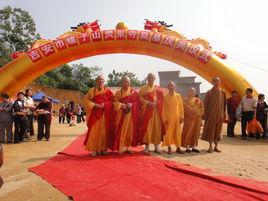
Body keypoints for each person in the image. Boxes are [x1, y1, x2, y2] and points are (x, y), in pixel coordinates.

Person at [83, 75, 114, 156]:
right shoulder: (91, 91)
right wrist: (94, 104)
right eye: (99, 80)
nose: (100, 81)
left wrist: (105, 104)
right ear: (96, 81)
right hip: (94, 115)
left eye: (102, 80)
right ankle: (94, 149)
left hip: (104, 115)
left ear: (104, 82)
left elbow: (112, 101)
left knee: (103, 131)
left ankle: (103, 148)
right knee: (94, 131)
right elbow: (86, 100)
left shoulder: (108, 91)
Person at [113, 76, 140, 154]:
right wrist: (121, 105)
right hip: (121, 114)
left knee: (129, 131)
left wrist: (132, 104)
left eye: (127, 81)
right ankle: (121, 147)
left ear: (130, 82)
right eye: (124, 81)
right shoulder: (118, 92)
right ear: (122, 82)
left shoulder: (134, 92)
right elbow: (115, 102)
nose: (126, 83)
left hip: (131, 115)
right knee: (122, 130)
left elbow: (138, 102)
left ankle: (127, 147)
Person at [139, 73, 164, 154]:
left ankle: (156, 146)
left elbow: (161, 99)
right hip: (147, 111)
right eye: (149, 78)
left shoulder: (158, 88)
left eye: (152, 78)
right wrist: (148, 102)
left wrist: (157, 103)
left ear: (154, 79)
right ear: (147, 79)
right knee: (148, 128)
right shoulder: (143, 88)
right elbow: (139, 98)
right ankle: (147, 147)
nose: (151, 79)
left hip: (156, 111)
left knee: (157, 128)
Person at [202, 77, 226, 153]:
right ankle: (210, 147)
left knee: (218, 131)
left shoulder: (223, 92)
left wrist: (225, 114)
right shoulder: (209, 92)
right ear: (212, 82)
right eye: (215, 81)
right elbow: (205, 104)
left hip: (220, 115)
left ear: (220, 82)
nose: (216, 83)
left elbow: (224, 105)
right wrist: (204, 115)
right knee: (211, 131)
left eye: (218, 81)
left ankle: (216, 146)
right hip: (211, 115)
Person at [162, 81, 184, 154]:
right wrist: (164, 118)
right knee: (169, 133)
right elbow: (163, 109)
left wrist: (182, 116)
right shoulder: (165, 97)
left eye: (172, 86)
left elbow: (181, 107)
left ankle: (178, 147)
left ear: (174, 87)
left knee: (177, 133)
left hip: (177, 118)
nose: (171, 87)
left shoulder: (178, 96)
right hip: (169, 118)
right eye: (170, 86)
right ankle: (169, 148)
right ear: (168, 87)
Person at [181, 87, 204, 153]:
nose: (192, 93)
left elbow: (202, 109)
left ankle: (194, 146)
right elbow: (186, 108)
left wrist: (198, 113)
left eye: (194, 91)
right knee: (188, 132)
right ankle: (187, 147)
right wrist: (195, 112)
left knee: (196, 132)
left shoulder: (198, 100)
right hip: (189, 119)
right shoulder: (185, 100)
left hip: (197, 119)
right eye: (191, 91)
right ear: (188, 92)